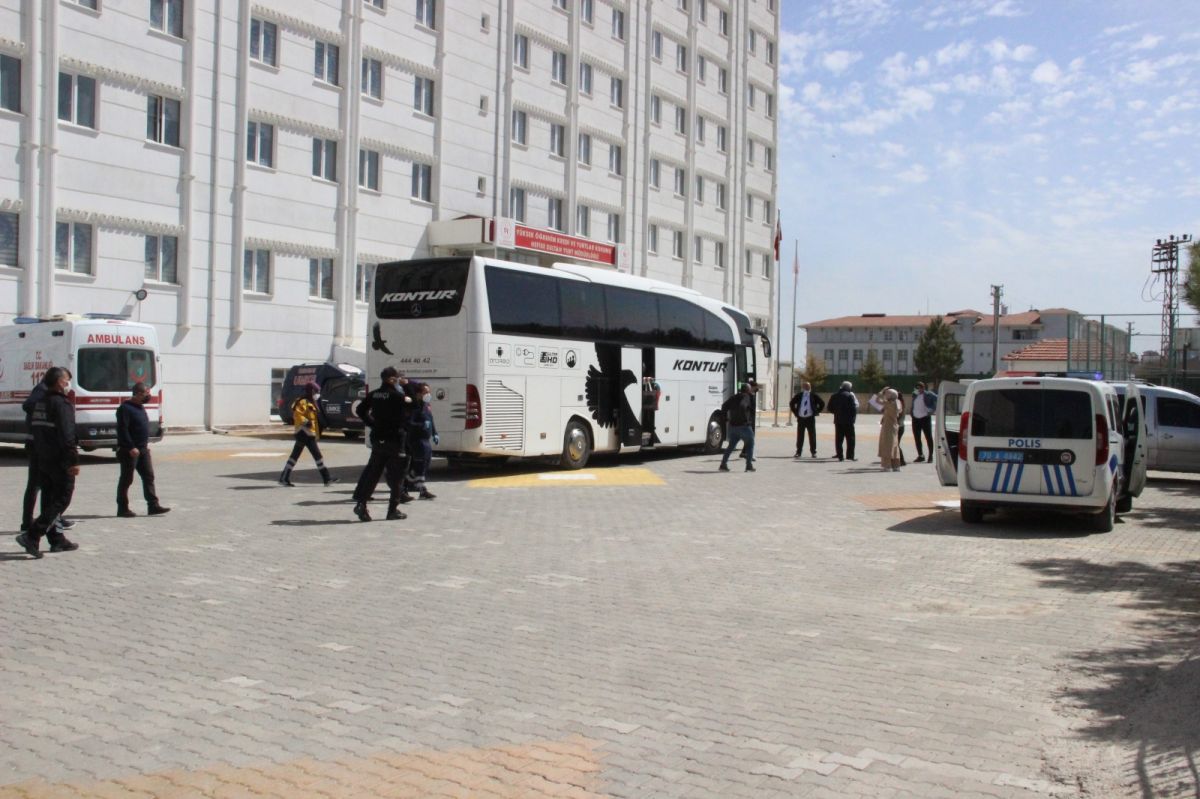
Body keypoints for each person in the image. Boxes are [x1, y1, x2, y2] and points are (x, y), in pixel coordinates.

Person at [15, 367, 79, 558]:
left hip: (43, 458)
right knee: (61, 499)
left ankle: (56, 539)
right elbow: (68, 436)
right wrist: (73, 461)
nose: (68, 384)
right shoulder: (61, 404)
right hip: (60, 460)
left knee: (49, 499)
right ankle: (32, 534)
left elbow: (36, 431)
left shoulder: (40, 403)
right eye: (67, 380)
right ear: (59, 382)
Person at [352, 367, 412, 521]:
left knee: (373, 473)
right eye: (397, 378)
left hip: (378, 438)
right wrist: (407, 388)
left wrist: (372, 424)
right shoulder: (397, 396)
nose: (399, 380)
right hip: (394, 440)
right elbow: (412, 409)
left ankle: (362, 504)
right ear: (392, 379)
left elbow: (360, 410)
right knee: (397, 476)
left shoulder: (374, 394)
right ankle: (393, 510)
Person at [116, 382, 170, 517]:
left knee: (148, 477)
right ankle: (122, 508)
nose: (149, 396)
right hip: (130, 450)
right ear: (139, 393)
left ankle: (153, 505)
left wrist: (144, 446)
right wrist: (130, 447)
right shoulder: (125, 408)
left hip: (143, 449)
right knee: (127, 479)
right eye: (147, 393)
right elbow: (122, 430)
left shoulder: (140, 407)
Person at [278, 382, 338, 488]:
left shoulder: (311, 402)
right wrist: (306, 422)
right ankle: (327, 478)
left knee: (295, 456)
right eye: (316, 391)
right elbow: (297, 414)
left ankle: (284, 477)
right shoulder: (302, 402)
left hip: (308, 433)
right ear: (311, 391)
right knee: (317, 456)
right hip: (304, 433)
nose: (317, 394)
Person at [718, 379, 759, 472]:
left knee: (731, 446)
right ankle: (748, 465)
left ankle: (723, 464)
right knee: (750, 443)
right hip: (744, 426)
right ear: (748, 390)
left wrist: (725, 418)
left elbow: (724, 406)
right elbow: (744, 406)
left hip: (733, 426)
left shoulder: (733, 397)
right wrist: (745, 419)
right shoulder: (747, 397)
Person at [407, 383, 439, 500]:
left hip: (426, 439)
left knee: (425, 464)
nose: (428, 394)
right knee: (420, 464)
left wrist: (435, 432)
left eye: (429, 392)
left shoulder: (426, 405)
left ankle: (405, 485)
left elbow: (430, 419)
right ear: (418, 394)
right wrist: (421, 425)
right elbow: (409, 423)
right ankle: (422, 490)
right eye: (425, 392)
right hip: (417, 439)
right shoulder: (414, 407)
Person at [788, 381, 825, 458]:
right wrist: (796, 413)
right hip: (801, 418)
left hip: (810, 418)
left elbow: (822, 403)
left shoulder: (813, 395)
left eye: (808, 386)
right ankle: (798, 452)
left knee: (812, 436)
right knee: (800, 436)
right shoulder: (799, 395)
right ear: (803, 387)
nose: (807, 388)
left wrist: (816, 411)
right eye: (806, 386)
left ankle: (813, 452)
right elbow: (792, 403)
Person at [826, 381, 859, 462]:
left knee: (839, 439)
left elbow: (829, 407)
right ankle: (850, 456)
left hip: (838, 420)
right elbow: (853, 409)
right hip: (848, 421)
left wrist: (836, 413)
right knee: (850, 439)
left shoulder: (834, 395)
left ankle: (840, 456)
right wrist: (853, 419)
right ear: (849, 388)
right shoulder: (849, 396)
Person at [911, 382, 937, 462]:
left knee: (928, 437)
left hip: (925, 418)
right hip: (915, 419)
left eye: (920, 388)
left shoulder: (929, 394)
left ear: (923, 388)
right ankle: (920, 455)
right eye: (917, 388)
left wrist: (932, 410)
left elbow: (938, 398)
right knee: (917, 438)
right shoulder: (915, 395)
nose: (918, 389)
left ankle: (930, 456)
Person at [877, 388, 902, 471]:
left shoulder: (890, 403)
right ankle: (896, 465)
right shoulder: (898, 402)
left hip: (888, 426)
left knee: (887, 446)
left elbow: (877, 401)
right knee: (894, 446)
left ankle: (887, 466)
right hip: (894, 426)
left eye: (887, 394)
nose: (885, 395)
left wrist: (881, 392)